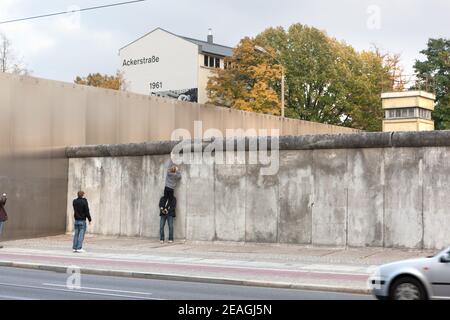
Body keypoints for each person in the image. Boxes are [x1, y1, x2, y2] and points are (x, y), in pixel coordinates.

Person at [160, 160, 181, 244]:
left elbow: (169, 168)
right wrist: (177, 169)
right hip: (171, 189)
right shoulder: (175, 175)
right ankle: (165, 208)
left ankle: (165, 208)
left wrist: (171, 161)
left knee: (165, 198)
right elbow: (179, 176)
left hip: (167, 187)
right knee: (169, 199)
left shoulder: (169, 174)